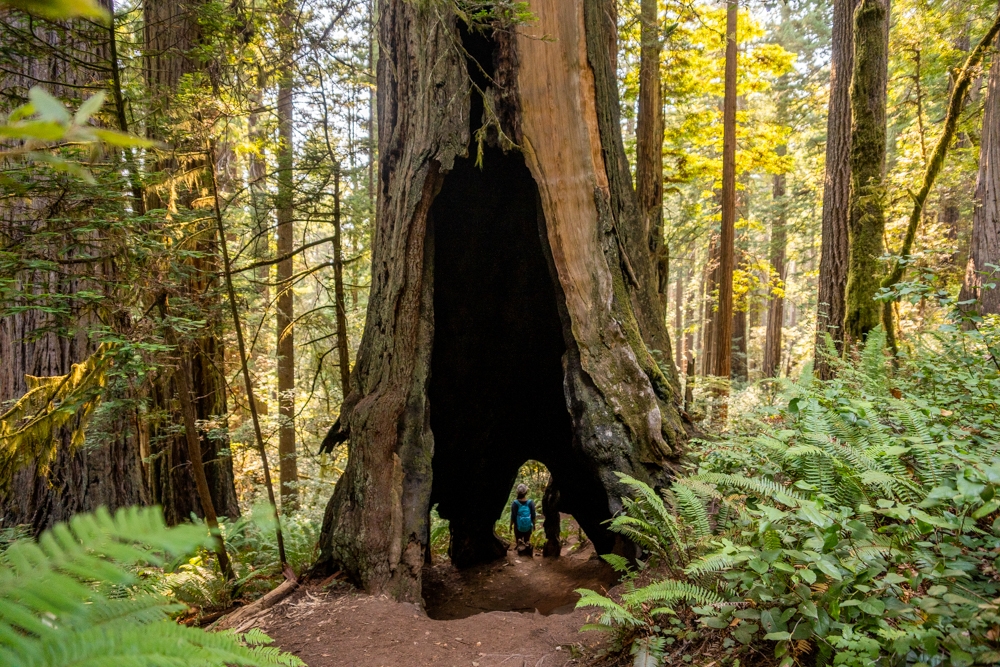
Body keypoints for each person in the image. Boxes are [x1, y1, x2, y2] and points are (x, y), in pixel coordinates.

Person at [510, 484, 536, 554]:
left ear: (517, 492)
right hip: (528, 526)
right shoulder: (530, 503)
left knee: (519, 540)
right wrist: (534, 525)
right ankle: (527, 552)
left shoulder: (515, 503)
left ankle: (520, 552)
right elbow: (533, 515)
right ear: (526, 492)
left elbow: (513, 516)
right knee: (527, 540)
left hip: (518, 527)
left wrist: (510, 526)